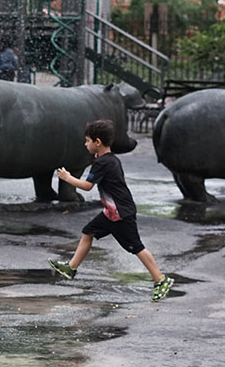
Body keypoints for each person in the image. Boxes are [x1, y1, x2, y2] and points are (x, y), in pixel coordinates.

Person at [48, 119, 174, 302]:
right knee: (87, 232)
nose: (86, 144)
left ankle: (160, 279)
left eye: (87, 141)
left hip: (120, 213)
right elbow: (121, 180)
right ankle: (71, 268)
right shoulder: (113, 160)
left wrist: (67, 178)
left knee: (136, 246)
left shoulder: (101, 164)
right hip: (112, 212)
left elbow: (87, 186)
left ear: (97, 142)